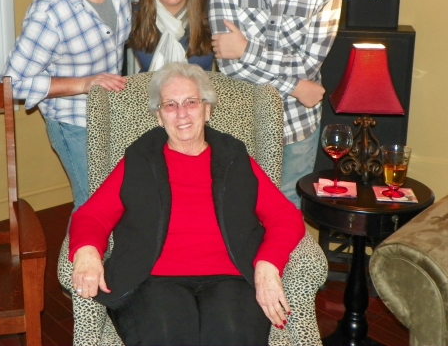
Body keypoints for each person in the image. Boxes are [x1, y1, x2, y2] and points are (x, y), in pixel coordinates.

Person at [69, 62, 305, 346]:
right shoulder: (140, 159)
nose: (181, 113)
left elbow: (285, 216)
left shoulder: (234, 157)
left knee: (232, 336)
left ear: (206, 110)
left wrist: (267, 265)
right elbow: (93, 214)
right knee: (166, 337)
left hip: (230, 276)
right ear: (159, 116)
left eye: (191, 102)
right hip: (153, 278)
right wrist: (87, 252)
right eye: (170, 105)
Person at [209, 0, 343, 208]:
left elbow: (307, 64)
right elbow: (229, 67)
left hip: (296, 125)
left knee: (285, 210)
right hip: (238, 118)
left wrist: (245, 48)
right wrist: (296, 86)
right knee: (234, 207)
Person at [2, 0, 131, 211]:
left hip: (111, 112)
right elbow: (12, 83)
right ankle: (75, 261)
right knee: (93, 206)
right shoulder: (50, 11)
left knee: (120, 198)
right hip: (72, 121)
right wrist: (85, 83)